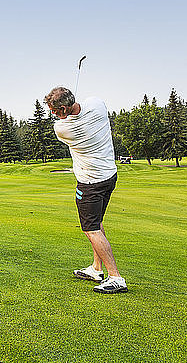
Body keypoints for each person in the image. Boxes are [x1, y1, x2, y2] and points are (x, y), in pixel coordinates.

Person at [44, 87, 127, 294]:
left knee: (90, 229)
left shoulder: (62, 129)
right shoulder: (96, 104)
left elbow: (65, 122)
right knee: (97, 224)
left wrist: (65, 117)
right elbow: (86, 107)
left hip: (90, 183)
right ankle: (96, 269)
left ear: (63, 109)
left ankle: (115, 277)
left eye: (54, 111)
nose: (53, 114)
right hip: (109, 176)